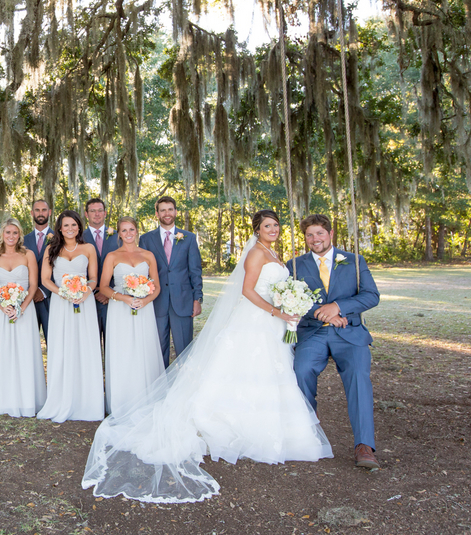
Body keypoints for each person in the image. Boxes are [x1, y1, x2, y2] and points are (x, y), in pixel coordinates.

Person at [82, 210, 333, 504]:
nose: (274, 229)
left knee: (270, 371)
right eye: (268, 226)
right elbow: (248, 291)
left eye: (276, 225)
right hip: (259, 319)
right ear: (258, 229)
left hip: (271, 322)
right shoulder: (255, 253)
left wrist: (286, 303)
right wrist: (279, 310)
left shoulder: (272, 251)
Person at [288, 214, 381, 469]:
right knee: (301, 370)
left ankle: (364, 445)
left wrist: (339, 307)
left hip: (349, 332)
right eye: (309, 235)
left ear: (330, 234)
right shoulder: (295, 265)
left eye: (319, 233)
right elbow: (289, 299)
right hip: (313, 333)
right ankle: (307, 432)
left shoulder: (353, 261)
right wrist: (323, 311)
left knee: (358, 376)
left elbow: (371, 296)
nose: (314, 239)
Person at [36, 210, 104, 423]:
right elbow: (45, 279)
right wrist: (63, 293)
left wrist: (86, 292)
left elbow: (93, 278)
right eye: (66, 225)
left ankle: (88, 401)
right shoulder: (51, 249)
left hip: (85, 302)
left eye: (73, 225)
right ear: (60, 228)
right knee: (63, 346)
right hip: (61, 302)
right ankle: (61, 399)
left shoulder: (88, 248)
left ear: (79, 227)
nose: (70, 229)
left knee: (85, 345)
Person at [98, 217, 164, 414]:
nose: (128, 233)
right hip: (120, 310)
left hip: (144, 308)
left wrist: (146, 300)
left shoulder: (148, 255)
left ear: (137, 231)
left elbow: (157, 286)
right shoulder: (112, 256)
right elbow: (103, 287)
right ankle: (122, 401)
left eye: (132, 229)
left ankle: (145, 399)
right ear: (119, 234)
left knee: (143, 350)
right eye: (124, 230)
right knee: (123, 352)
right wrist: (124, 298)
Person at [0, 217, 46, 417]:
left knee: (24, 352)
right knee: (3, 352)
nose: (11, 236)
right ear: (2, 234)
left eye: (15, 232)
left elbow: (33, 285)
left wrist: (21, 308)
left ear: (20, 235)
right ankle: (3, 399)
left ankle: (27, 400)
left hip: (25, 311)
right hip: (2, 312)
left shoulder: (28, 255)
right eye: (8, 232)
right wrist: (3, 306)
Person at [138, 196, 203, 367]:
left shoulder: (188, 238)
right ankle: (161, 388)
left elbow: (195, 271)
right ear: (157, 214)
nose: (167, 213)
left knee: (184, 349)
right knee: (158, 349)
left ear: (175, 211)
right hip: (156, 301)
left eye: (170, 209)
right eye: (163, 210)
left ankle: (184, 386)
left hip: (183, 301)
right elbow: (142, 272)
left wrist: (198, 299)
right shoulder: (146, 239)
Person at [81, 198, 120, 339]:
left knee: (114, 341)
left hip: (113, 298)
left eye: (100, 211)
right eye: (92, 211)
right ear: (86, 214)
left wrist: (108, 291)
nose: (96, 214)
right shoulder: (78, 237)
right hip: (86, 298)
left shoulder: (119, 236)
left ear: (105, 213)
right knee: (91, 341)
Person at [23, 200, 54, 342]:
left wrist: (43, 290)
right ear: (32, 213)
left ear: (50, 212)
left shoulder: (60, 238)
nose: (40, 213)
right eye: (37, 210)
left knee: (54, 340)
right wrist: (32, 290)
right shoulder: (22, 240)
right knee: (28, 341)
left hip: (52, 298)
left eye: (43, 210)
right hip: (29, 298)